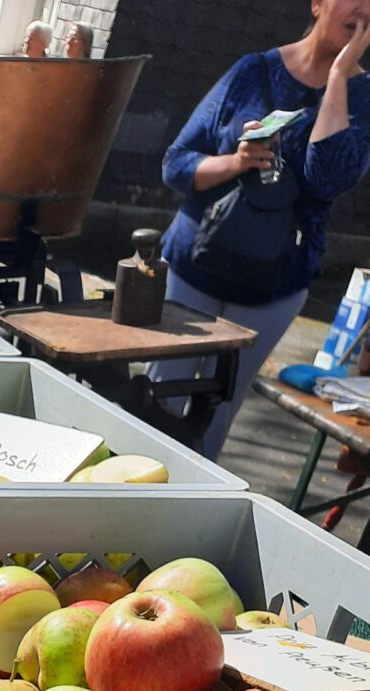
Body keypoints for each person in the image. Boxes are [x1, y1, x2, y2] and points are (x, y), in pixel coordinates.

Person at [151, 1, 370, 459]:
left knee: (215, 415)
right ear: (318, 3)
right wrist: (238, 160)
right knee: (156, 398)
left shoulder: (362, 95)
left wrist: (338, 81)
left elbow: (326, 179)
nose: (364, 9)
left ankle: (186, 519)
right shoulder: (252, 71)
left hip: (274, 285)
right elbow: (176, 164)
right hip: (194, 266)